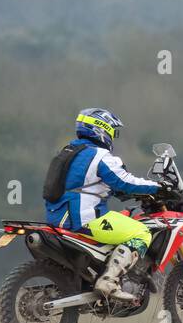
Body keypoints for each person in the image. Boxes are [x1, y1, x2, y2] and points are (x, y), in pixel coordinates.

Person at [43, 108, 166, 300]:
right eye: (112, 132)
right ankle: (108, 281)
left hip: (57, 219)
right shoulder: (99, 155)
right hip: (84, 219)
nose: (113, 137)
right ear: (101, 129)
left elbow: (91, 184)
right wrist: (158, 187)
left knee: (120, 220)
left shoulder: (69, 152)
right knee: (141, 232)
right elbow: (124, 181)